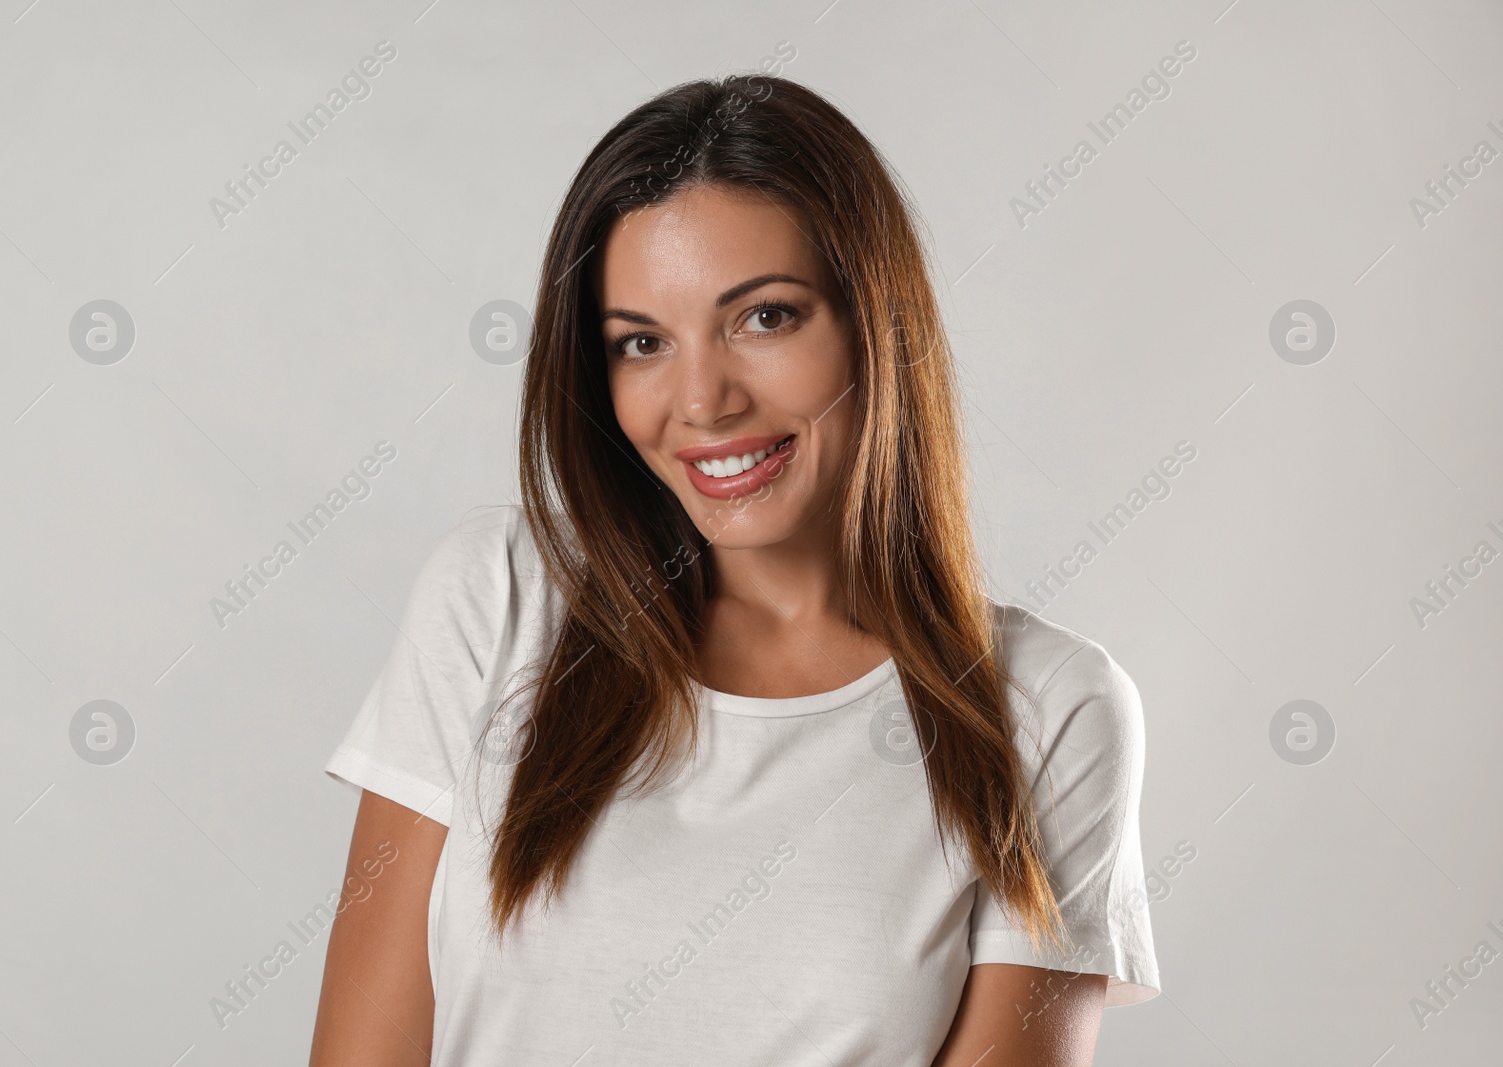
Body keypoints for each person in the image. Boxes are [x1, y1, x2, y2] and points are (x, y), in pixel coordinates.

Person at [309, 73, 1159, 1067]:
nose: (701, 400)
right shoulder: (497, 593)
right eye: (641, 342)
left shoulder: (1045, 706)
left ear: (874, 324)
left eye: (764, 318)